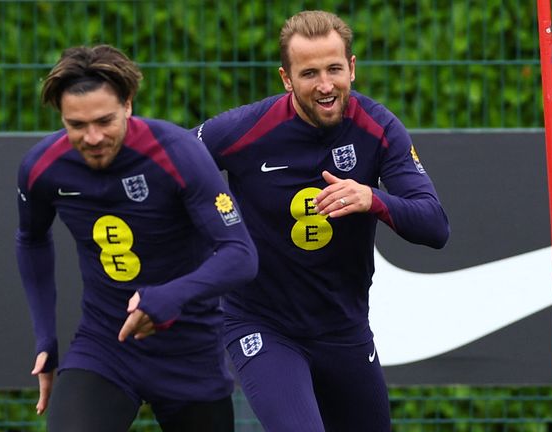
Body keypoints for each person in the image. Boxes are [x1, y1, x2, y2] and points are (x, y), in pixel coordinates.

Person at [192, 10, 450, 431]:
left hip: (343, 327)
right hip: (262, 323)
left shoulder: (379, 128)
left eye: (334, 69)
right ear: (286, 79)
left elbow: (435, 226)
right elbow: (170, 168)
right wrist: (218, 223)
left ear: (352, 67)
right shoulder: (244, 128)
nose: (325, 85)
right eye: (309, 73)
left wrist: (372, 198)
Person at [15, 44, 257, 432]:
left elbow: (241, 254)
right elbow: (31, 239)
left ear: (128, 104)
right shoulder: (42, 167)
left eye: (104, 121)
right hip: (104, 347)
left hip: (189, 351)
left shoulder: (178, 153)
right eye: (76, 125)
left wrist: (166, 297)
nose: (92, 137)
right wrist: (46, 338)